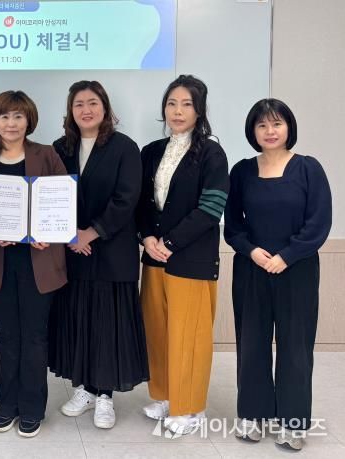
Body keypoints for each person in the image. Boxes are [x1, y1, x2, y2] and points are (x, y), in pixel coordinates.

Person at [224, 99, 331, 451]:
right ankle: (253, 415)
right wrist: (252, 251)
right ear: (253, 131)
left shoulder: (308, 168)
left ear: (289, 127)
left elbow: (319, 222)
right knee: (251, 343)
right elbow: (233, 224)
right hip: (252, 268)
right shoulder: (241, 171)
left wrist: (287, 256)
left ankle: (293, 422)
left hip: (297, 270)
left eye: (277, 124)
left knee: (295, 346)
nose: (270, 131)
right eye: (262, 125)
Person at [49, 81, 148, 429]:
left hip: (111, 251)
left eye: (92, 103)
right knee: (79, 320)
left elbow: (127, 198)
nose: (86, 110)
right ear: (70, 111)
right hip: (72, 253)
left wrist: (90, 232)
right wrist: (69, 234)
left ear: (105, 107)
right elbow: (51, 195)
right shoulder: (60, 148)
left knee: (108, 325)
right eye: (78, 104)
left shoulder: (125, 147)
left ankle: (105, 395)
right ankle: (85, 390)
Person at [0, 90, 67, 437]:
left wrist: (49, 233)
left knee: (35, 336)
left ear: (29, 121)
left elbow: (63, 202)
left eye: (18, 116)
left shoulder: (47, 154)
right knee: (7, 335)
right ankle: (6, 404)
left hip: (39, 260)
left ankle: (32, 407)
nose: (11, 123)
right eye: (5, 116)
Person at [136, 75, 229, 435]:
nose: (178, 111)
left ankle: (190, 409)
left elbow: (211, 208)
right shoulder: (151, 151)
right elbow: (141, 203)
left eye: (187, 104)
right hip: (154, 257)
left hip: (191, 259)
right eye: (172, 103)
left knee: (188, 335)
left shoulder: (211, 153)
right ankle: (165, 395)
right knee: (158, 330)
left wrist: (171, 243)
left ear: (199, 110)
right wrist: (147, 238)